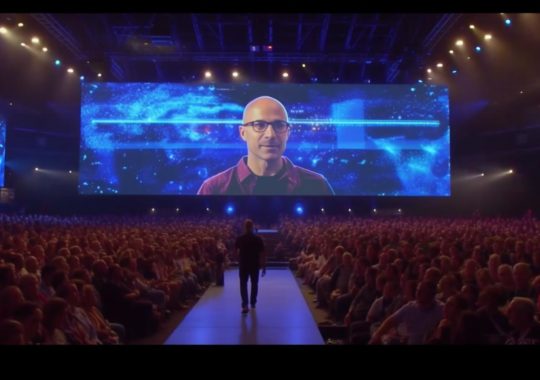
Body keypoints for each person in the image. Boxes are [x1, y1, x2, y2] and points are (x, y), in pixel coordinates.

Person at [197, 96, 335, 195]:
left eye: (279, 125)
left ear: (288, 132)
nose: (270, 134)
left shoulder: (317, 184)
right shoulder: (214, 188)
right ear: (243, 133)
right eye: (259, 125)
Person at [235, 219, 266, 313]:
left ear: (244, 227)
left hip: (244, 264)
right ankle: (252, 302)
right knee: (254, 284)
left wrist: (238, 259)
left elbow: (235, 252)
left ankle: (245, 304)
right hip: (254, 265)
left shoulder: (239, 238)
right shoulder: (258, 239)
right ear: (252, 227)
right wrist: (263, 266)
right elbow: (262, 253)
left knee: (243, 284)